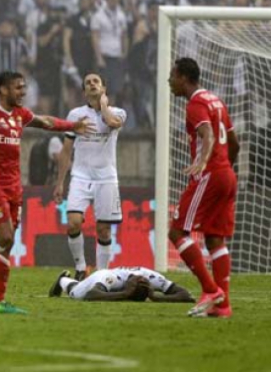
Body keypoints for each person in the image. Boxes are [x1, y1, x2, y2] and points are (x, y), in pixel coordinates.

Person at [0, 71, 94, 314]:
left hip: (14, 185)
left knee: (8, 245)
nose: (23, 92)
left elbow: (45, 122)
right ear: (3, 89)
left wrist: (72, 125)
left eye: (24, 88)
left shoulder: (20, 114)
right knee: (4, 236)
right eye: (18, 88)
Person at [167, 57, 239, 318]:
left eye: (172, 76)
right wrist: (224, 167)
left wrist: (205, 161)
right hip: (226, 174)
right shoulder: (215, 100)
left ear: (183, 77)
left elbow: (207, 133)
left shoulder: (196, 103)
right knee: (214, 239)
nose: (169, 81)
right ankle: (223, 306)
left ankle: (210, 290)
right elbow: (234, 142)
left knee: (176, 231)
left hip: (210, 173)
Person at [53, 73, 127, 279]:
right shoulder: (75, 115)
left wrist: (103, 106)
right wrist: (60, 183)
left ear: (103, 88)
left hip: (107, 178)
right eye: (88, 83)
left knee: (103, 230)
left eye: (96, 81)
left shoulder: (118, 112)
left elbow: (112, 123)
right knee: (74, 222)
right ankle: (80, 269)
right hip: (80, 177)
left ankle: (101, 275)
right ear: (84, 91)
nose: (92, 84)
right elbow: (66, 151)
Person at [48, 267, 194, 302]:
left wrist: (157, 297)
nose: (141, 280)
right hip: (99, 276)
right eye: (139, 281)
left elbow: (186, 294)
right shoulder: (112, 278)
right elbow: (91, 294)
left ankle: (65, 279)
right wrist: (124, 294)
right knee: (76, 293)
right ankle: (62, 280)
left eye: (141, 283)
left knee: (77, 290)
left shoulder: (151, 279)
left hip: (106, 284)